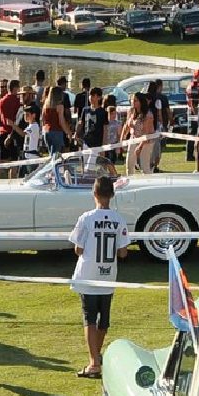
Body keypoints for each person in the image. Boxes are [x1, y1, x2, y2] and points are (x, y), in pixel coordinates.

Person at [68, 176, 130, 379]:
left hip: (88, 274)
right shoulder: (119, 219)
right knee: (104, 319)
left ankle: (94, 362)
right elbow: (123, 253)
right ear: (112, 195)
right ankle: (95, 357)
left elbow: (78, 249)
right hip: (108, 274)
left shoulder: (86, 218)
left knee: (89, 318)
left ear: (93, 193)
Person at [121, 92, 154, 174]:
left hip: (146, 142)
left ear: (141, 102)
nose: (133, 102)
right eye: (132, 100)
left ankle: (149, 183)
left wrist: (140, 147)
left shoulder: (148, 115)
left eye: (135, 100)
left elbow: (146, 134)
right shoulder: (131, 111)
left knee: (144, 167)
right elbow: (126, 126)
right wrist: (122, 138)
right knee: (129, 165)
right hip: (133, 139)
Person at [147, 79, 171, 171]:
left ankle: (147, 163)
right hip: (156, 125)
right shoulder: (160, 98)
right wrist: (163, 124)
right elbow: (159, 114)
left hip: (146, 125)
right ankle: (154, 165)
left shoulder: (144, 98)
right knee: (157, 147)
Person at [41, 86, 71, 156]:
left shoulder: (45, 105)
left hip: (47, 132)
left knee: (51, 155)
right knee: (57, 156)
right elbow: (61, 122)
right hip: (57, 132)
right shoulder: (60, 106)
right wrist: (68, 132)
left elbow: (43, 119)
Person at [74, 87, 107, 152]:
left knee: (92, 161)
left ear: (99, 97)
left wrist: (104, 144)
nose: (91, 97)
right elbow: (81, 122)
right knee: (86, 161)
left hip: (97, 142)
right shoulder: (85, 109)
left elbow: (105, 129)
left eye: (93, 96)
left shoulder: (103, 112)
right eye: (90, 95)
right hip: (86, 141)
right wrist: (76, 133)